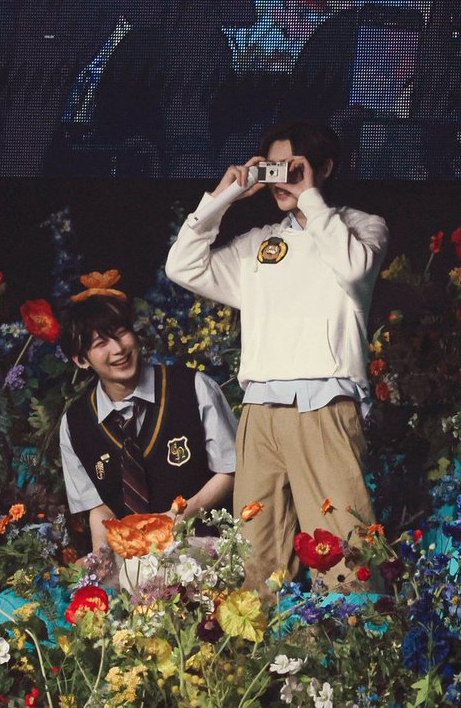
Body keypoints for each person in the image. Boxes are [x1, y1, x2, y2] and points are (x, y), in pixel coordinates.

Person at [165, 120, 389, 590]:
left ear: (323, 168)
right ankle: (257, 637)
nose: (280, 179)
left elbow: (353, 271)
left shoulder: (360, 227)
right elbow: (181, 266)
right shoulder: (259, 242)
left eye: (292, 167)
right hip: (260, 410)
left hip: (324, 405)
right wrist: (224, 196)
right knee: (256, 552)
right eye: (273, 168)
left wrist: (310, 199)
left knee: (346, 551)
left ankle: (359, 635)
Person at [59, 284, 236, 555]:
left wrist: (177, 519)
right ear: (81, 360)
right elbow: (99, 508)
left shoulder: (193, 387)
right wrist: (102, 561)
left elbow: (231, 471)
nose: (118, 349)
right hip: (134, 558)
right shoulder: (75, 423)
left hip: (206, 547)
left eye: (121, 333)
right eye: (101, 343)